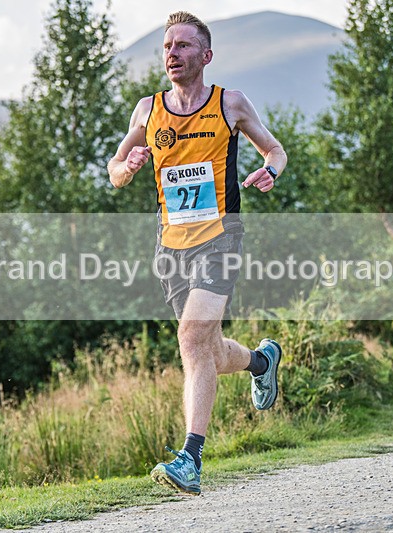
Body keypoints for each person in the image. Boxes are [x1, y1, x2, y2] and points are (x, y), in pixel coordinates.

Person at [107, 11, 288, 495]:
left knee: (190, 339)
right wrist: (129, 165)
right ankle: (261, 362)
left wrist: (271, 171)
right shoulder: (147, 110)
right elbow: (115, 169)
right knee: (207, 348)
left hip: (221, 237)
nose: (173, 53)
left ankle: (191, 457)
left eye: (184, 45)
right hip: (170, 244)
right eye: (168, 45)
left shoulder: (230, 103)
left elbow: (275, 150)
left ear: (205, 56)